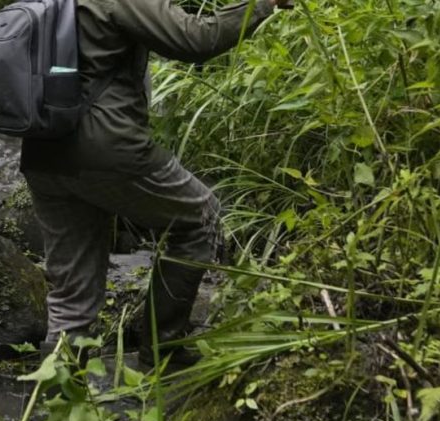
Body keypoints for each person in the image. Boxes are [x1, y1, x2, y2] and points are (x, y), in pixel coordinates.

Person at [21, 0, 291, 367]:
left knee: (71, 300)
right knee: (200, 216)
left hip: (42, 151)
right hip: (106, 150)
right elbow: (196, 39)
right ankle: (162, 350)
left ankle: (61, 409)